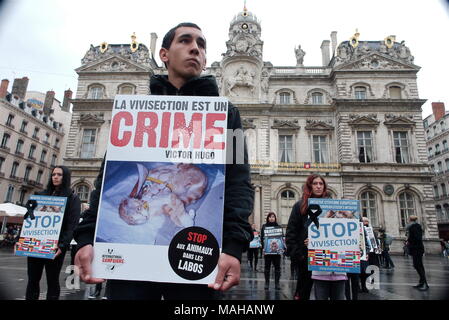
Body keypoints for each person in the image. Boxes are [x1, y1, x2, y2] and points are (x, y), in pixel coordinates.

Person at [74, 22, 254, 300]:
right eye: (185, 40)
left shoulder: (226, 114)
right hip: (132, 260)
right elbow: (106, 176)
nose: (195, 48)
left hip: (196, 257)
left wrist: (232, 245)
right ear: (164, 54)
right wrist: (86, 236)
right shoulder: (137, 109)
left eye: (202, 45)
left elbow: (238, 181)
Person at [25, 166, 81, 300]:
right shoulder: (40, 195)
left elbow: (72, 225)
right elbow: (29, 218)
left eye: (59, 175)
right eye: (53, 174)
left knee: (52, 281)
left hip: (55, 246)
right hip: (36, 244)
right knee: (32, 280)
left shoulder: (72, 198)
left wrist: (62, 245)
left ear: (65, 177)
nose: (55, 177)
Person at [286, 174, 328, 300]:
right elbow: (291, 232)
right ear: (309, 186)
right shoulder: (300, 206)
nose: (319, 186)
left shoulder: (331, 205)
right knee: (303, 292)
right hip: (305, 257)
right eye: (315, 183)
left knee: (325, 293)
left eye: (321, 184)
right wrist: (299, 255)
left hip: (326, 256)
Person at [261, 212, 283, 290]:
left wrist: (282, 248)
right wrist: (263, 248)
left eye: (273, 217)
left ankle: (277, 283)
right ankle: (267, 283)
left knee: (277, 268)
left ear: (275, 218)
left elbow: (281, 239)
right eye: (270, 217)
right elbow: (262, 239)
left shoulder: (278, 227)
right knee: (267, 268)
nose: (271, 218)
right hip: (267, 251)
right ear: (268, 218)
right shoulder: (264, 226)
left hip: (277, 252)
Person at [407, 215, 429, 291]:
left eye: (408, 219)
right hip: (416, 249)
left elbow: (417, 238)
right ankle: (421, 282)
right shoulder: (414, 226)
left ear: (410, 219)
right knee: (418, 265)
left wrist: (409, 241)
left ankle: (425, 284)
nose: (407, 220)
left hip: (417, 249)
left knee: (418, 265)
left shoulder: (415, 226)